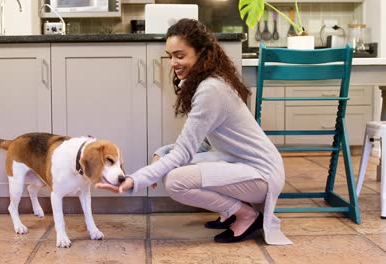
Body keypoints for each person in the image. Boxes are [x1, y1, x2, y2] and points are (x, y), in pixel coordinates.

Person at [96, 18, 292, 245]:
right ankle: (233, 211)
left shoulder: (210, 90)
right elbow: (202, 142)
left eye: (180, 56)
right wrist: (163, 153)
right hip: (243, 164)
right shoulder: (207, 83)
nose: (172, 63)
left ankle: (247, 215)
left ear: (202, 54)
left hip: (261, 174)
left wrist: (135, 180)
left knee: (176, 181)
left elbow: (184, 152)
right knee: (172, 167)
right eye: (170, 56)